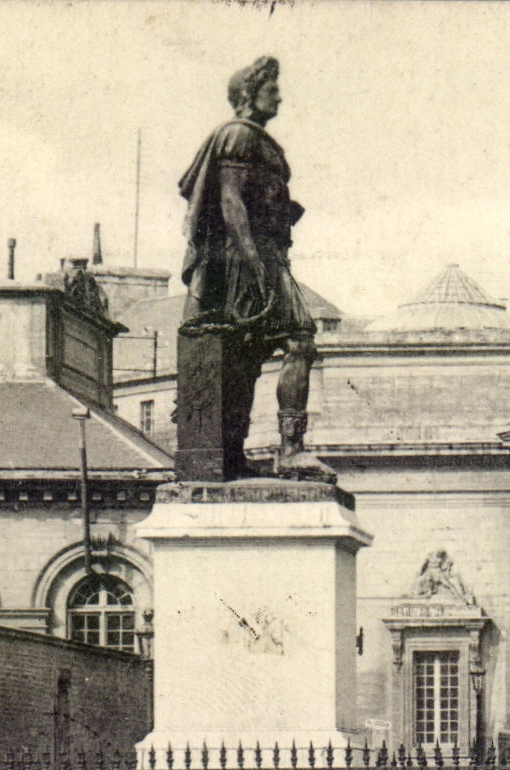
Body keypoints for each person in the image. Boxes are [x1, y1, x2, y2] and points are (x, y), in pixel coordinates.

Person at [176, 56, 332, 481]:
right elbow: (231, 200)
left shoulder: (256, 140)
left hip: (263, 253)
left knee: (245, 355)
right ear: (249, 93)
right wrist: (253, 260)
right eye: (271, 89)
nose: (279, 97)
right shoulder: (239, 135)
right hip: (249, 258)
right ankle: (291, 450)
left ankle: (233, 455)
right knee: (298, 338)